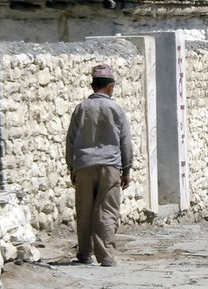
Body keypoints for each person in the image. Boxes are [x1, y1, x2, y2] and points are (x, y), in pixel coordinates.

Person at [65, 64, 133, 267]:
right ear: (111, 86)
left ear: (92, 85)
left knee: (84, 209)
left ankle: (85, 253)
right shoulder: (116, 109)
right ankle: (106, 256)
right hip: (110, 166)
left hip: (84, 165)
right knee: (107, 209)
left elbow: (70, 140)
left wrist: (72, 167)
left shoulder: (81, 108)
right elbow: (125, 142)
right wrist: (126, 169)